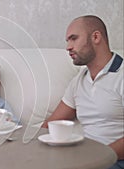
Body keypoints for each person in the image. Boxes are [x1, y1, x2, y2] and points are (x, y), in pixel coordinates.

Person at [41, 15, 123, 169]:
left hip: (115, 160)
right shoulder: (78, 81)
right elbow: (51, 124)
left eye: (74, 39)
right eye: (67, 41)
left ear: (96, 37)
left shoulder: (122, 76)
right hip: (86, 158)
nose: (68, 47)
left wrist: (96, 158)